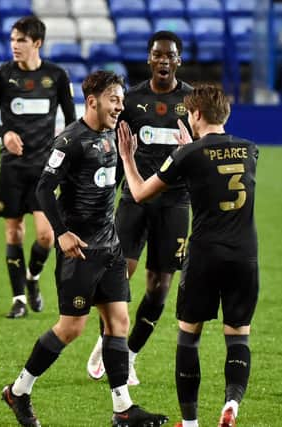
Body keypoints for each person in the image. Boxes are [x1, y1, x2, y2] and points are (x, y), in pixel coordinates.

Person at [1, 70, 169, 427]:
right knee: (71, 328)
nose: (120, 106)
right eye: (114, 99)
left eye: (121, 100)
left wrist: (128, 157)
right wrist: (61, 233)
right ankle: (18, 391)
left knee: (118, 321)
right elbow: (44, 189)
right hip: (79, 249)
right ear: (92, 101)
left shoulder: (113, 134)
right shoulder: (69, 141)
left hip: (109, 245)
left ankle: (123, 409)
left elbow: (113, 183)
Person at [118, 84, 259, 427]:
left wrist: (127, 157)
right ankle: (231, 405)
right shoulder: (250, 150)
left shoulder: (187, 155)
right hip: (245, 255)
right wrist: (191, 151)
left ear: (195, 115)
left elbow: (138, 193)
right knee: (238, 334)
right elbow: (216, 172)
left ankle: (191, 422)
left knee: (189, 336)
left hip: (205, 255)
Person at [87, 30, 193, 386]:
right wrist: (104, 195)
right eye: (157, 55)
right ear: (149, 59)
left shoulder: (191, 102)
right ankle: (107, 341)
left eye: (170, 56)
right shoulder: (131, 101)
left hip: (176, 203)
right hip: (134, 200)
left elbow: (204, 150)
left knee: (159, 287)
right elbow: (116, 151)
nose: (163, 61)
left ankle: (129, 355)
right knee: (119, 276)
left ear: (178, 61)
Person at [0, 16, 76, 318]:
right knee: (13, 232)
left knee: (46, 236)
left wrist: (63, 144)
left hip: (44, 168)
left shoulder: (57, 76)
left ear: (37, 43)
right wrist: (4, 134)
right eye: (12, 40)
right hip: (12, 166)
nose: (15, 46)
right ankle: (18, 298)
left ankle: (32, 278)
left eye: (21, 40)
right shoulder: (0, 76)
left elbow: (72, 121)